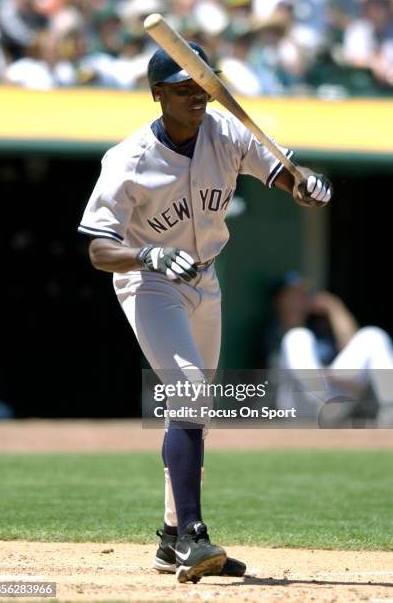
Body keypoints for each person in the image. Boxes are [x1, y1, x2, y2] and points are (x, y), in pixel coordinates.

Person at [77, 43, 332, 583]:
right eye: (183, 88)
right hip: (148, 282)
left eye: (203, 86)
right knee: (189, 390)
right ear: (158, 94)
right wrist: (146, 252)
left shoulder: (227, 132)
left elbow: (282, 174)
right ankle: (194, 535)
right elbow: (99, 249)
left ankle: (172, 538)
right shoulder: (128, 160)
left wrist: (302, 184)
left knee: (194, 409)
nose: (197, 96)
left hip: (205, 280)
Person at [265, 271, 393, 426]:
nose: (299, 300)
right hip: (297, 403)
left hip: (333, 397)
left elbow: (352, 344)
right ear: (279, 300)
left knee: (373, 335)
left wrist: (335, 308)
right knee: (297, 336)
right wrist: (330, 376)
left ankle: (390, 408)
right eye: (292, 295)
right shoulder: (272, 329)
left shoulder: (319, 327)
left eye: (303, 295)